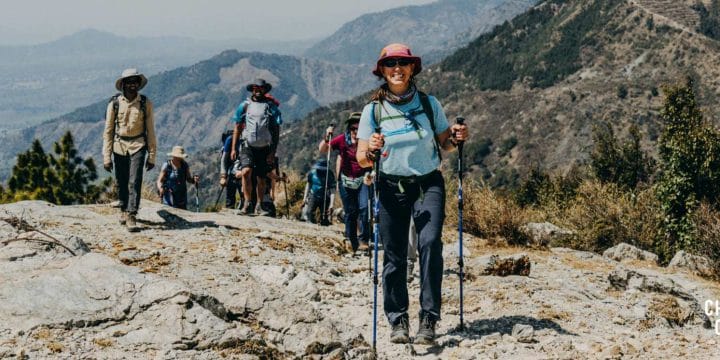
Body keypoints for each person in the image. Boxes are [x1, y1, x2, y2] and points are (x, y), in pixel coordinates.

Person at [356, 43, 469, 345]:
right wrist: (372, 149)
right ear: (382, 70)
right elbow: (363, 158)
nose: (397, 69)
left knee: (430, 243)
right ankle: (398, 319)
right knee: (394, 253)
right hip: (391, 186)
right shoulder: (373, 110)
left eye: (403, 63)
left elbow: (445, 143)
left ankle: (429, 318)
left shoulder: (429, 104)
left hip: (427, 183)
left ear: (412, 69)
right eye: (390, 64)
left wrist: (457, 137)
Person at [102, 68, 157, 231]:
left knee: (135, 180)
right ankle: (124, 209)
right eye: (129, 82)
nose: (133, 85)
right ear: (123, 84)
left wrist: (152, 155)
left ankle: (132, 213)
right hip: (119, 146)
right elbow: (108, 130)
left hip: (138, 145)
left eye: (135, 82)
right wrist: (106, 156)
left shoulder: (145, 103)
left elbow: (150, 130)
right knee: (122, 181)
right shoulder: (114, 104)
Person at [319, 112, 372, 253]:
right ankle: (351, 240)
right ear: (349, 128)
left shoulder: (367, 141)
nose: (355, 132)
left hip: (363, 178)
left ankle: (364, 240)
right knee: (350, 211)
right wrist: (327, 137)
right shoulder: (342, 140)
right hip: (345, 180)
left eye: (359, 129)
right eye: (353, 128)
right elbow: (323, 150)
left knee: (364, 209)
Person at [230, 79, 282, 215]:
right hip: (248, 145)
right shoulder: (245, 106)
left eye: (260, 88)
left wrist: (272, 152)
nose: (257, 90)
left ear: (265, 89)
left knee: (261, 177)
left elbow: (276, 131)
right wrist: (233, 148)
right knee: (246, 172)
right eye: (255, 88)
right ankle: (247, 203)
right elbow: (237, 127)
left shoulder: (271, 107)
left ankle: (259, 205)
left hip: (264, 147)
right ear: (252, 89)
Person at [301, 158, 336, 225]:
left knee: (324, 216)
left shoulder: (329, 174)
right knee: (309, 212)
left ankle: (323, 225)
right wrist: (304, 198)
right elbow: (308, 185)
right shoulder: (312, 173)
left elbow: (332, 190)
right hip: (313, 195)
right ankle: (310, 224)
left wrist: (331, 204)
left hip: (325, 197)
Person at [220, 130, 243, 209]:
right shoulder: (230, 139)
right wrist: (223, 176)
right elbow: (224, 159)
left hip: (242, 174)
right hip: (233, 173)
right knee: (230, 199)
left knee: (244, 197)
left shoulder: (248, 138)